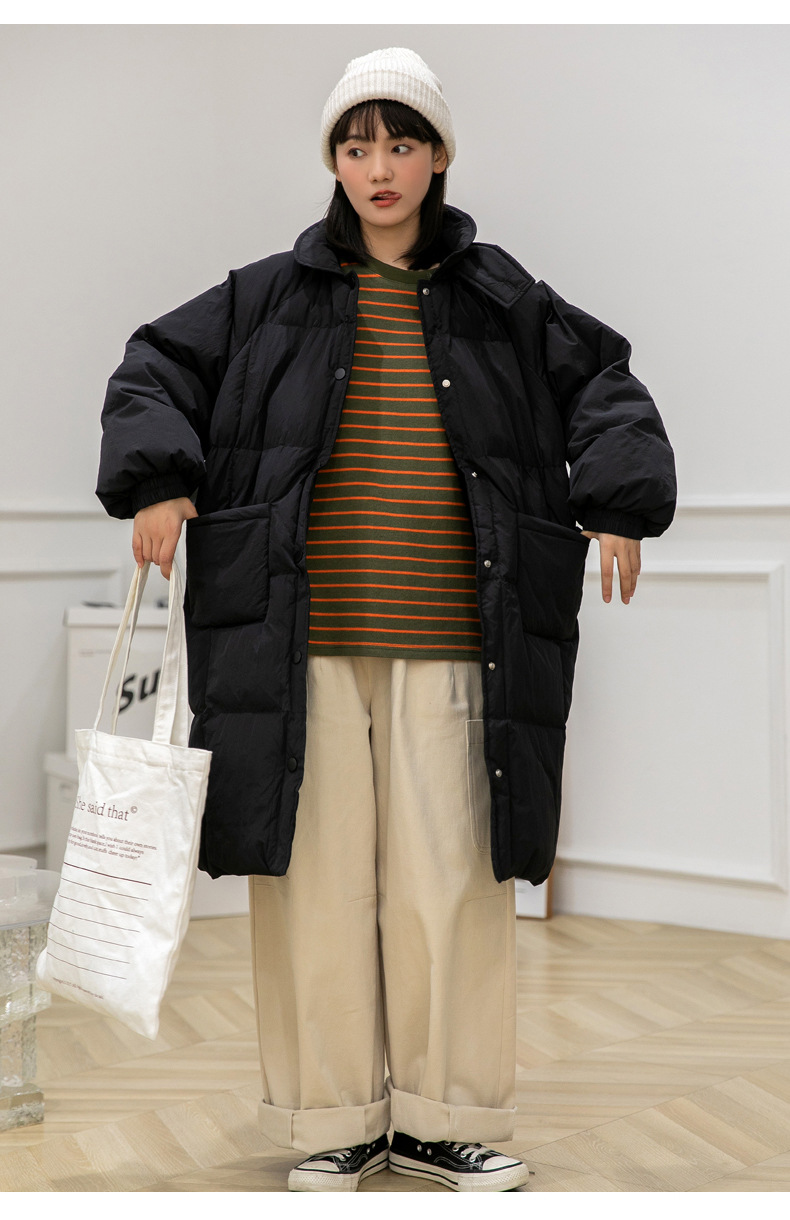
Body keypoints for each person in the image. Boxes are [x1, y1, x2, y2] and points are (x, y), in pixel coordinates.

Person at [95, 47, 676, 1192]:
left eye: (401, 143)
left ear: (438, 154)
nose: (379, 168)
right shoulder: (265, 295)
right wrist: (158, 477)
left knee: (451, 883)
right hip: (294, 639)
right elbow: (152, 364)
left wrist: (618, 498)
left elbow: (603, 382)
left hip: (460, 639)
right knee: (314, 883)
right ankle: (334, 1116)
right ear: (333, 159)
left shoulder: (502, 297)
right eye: (356, 146)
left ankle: (444, 1116)